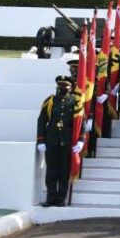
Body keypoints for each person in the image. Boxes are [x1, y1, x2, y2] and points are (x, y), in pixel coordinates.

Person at [36, 76, 83, 207]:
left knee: (63, 171)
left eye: (65, 86)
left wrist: (81, 140)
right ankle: (51, 198)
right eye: (60, 86)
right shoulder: (50, 101)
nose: (62, 88)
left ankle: (61, 198)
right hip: (51, 140)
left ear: (71, 88)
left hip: (67, 141)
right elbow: (42, 120)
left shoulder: (75, 101)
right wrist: (40, 140)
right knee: (51, 171)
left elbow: (80, 122)